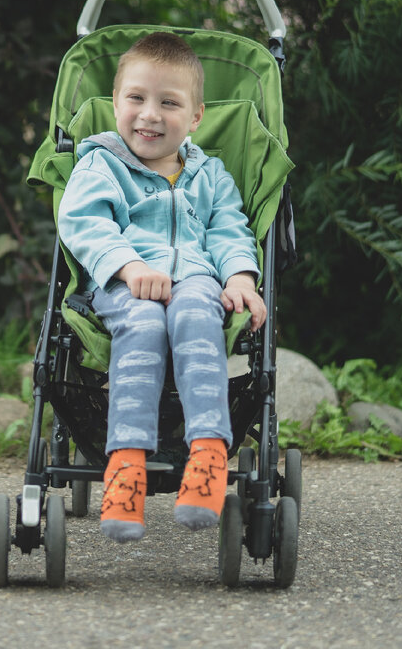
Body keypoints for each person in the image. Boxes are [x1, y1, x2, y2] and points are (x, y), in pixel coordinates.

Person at [57, 31, 267, 543]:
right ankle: (126, 465)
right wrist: (128, 266)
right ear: (114, 104)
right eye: (136, 98)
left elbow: (227, 229)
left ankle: (210, 453)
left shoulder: (209, 174)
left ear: (196, 118)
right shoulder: (100, 164)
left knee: (198, 310)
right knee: (144, 322)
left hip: (196, 278)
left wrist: (240, 276)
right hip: (123, 285)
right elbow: (84, 222)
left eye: (168, 103)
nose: (149, 114)